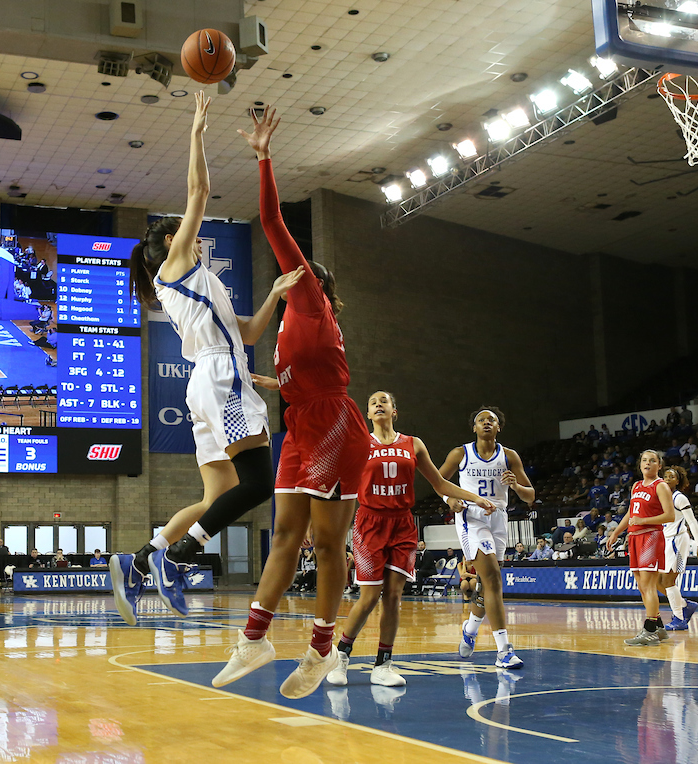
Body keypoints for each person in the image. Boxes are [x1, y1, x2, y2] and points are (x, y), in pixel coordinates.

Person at [110, 93, 301, 627]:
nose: (191, 229)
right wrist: (196, 131)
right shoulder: (175, 263)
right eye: (183, 229)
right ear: (172, 240)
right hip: (221, 377)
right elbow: (200, 189)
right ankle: (179, 559)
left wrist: (274, 294)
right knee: (261, 484)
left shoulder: (194, 283)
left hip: (209, 380)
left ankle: (146, 556)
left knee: (217, 496)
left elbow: (249, 331)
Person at [209, 106, 377, 700]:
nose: (290, 273)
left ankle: (321, 648)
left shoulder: (308, 300)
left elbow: (273, 222)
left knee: (329, 544)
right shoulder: (287, 331)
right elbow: (305, 379)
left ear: (315, 282)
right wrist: (269, 384)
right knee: (285, 535)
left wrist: (262, 156)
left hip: (334, 426)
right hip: (301, 426)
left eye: (301, 272)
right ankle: (255, 637)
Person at [322, 391, 491, 688]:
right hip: (370, 523)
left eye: (383, 401)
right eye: (373, 402)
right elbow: (337, 483)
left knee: (394, 597)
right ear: (368, 413)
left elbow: (439, 482)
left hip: (402, 524)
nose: (378, 405)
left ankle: (383, 664)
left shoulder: (413, 444)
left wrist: (475, 497)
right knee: (370, 596)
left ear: (394, 411)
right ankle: (341, 656)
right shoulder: (359, 442)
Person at [438, 408, 535, 668]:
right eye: (481, 420)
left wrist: (515, 485)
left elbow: (530, 496)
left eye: (491, 419)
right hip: (472, 517)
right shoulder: (461, 453)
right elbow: (438, 481)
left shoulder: (509, 456)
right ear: (474, 427)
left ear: (498, 427)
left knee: (487, 584)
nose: (486, 423)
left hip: (499, 519)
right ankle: (504, 650)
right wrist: (450, 499)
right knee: (492, 578)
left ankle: (470, 629)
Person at [605, 450, 677, 646]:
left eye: (652, 461)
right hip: (635, 537)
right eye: (644, 460)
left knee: (648, 585)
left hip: (651, 537)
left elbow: (670, 516)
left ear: (659, 466)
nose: (648, 463)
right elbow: (630, 513)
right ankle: (659, 627)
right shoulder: (636, 486)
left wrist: (643, 520)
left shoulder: (660, 486)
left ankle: (650, 630)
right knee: (642, 587)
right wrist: (616, 532)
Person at [658, 466, 698, 631]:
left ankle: (679, 619)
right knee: (657, 581)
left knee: (668, 580)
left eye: (671, 477)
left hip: (678, 541)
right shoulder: (661, 497)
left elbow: (692, 522)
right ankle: (685, 605)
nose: (667, 479)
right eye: (665, 476)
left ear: (678, 481)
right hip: (666, 541)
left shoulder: (679, 498)